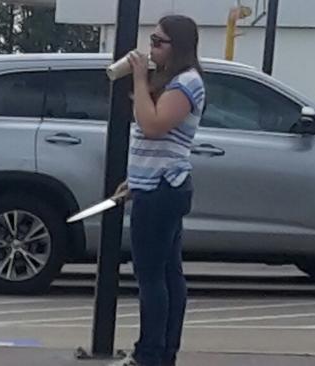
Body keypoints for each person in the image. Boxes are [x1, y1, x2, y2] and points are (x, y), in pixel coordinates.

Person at [111, 14, 206, 366]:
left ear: (177, 46)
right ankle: (161, 352)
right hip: (154, 185)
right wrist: (135, 179)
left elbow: (152, 126)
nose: (150, 49)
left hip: (165, 189)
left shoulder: (187, 83)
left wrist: (138, 79)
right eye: (151, 40)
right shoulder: (171, 82)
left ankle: (151, 354)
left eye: (157, 42)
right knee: (166, 272)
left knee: (152, 276)